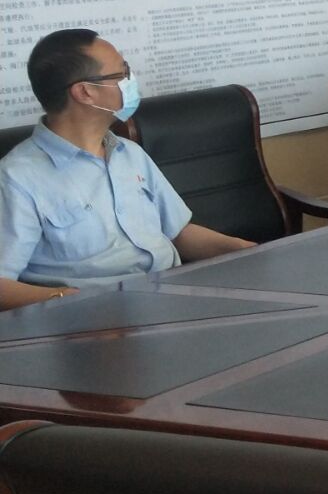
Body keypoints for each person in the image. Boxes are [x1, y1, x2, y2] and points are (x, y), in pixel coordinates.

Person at [0, 29, 255, 308]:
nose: (130, 81)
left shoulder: (129, 153)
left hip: (172, 298)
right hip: (97, 317)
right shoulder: (17, 178)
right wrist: (68, 299)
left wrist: (242, 250)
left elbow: (178, 232)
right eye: (122, 73)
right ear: (85, 92)